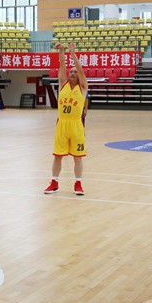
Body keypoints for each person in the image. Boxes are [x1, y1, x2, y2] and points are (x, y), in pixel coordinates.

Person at [44, 43, 88, 195]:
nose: (73, 73)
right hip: (62, 124)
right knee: (58, 156)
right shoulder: (63, 83)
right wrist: (62, 50)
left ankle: (78, 184)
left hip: (76, 125)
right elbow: (62, 65)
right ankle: (54, 182)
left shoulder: (83, 87)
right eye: (71, 72)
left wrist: (73, 54)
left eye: (75, 72)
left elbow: (81, 70)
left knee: (77, 157)